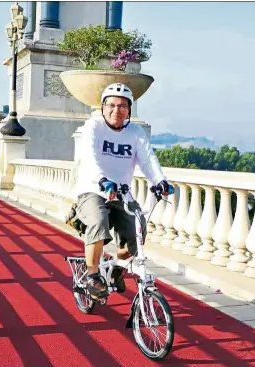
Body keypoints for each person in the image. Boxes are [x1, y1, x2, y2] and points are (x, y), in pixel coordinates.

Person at [74, 83, 174, 298]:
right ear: (103, 107)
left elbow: (148, 160)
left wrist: (160, 181)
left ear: (129, 110)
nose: (116, 110)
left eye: (122, 106)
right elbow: (90, 158)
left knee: (137, 233)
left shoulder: (135, 132)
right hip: (93, 189)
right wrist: (102, 180)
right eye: (111, 105)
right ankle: (92, 275)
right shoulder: (94, 126)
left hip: (121, 193)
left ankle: (116, 269)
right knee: (99, 220)